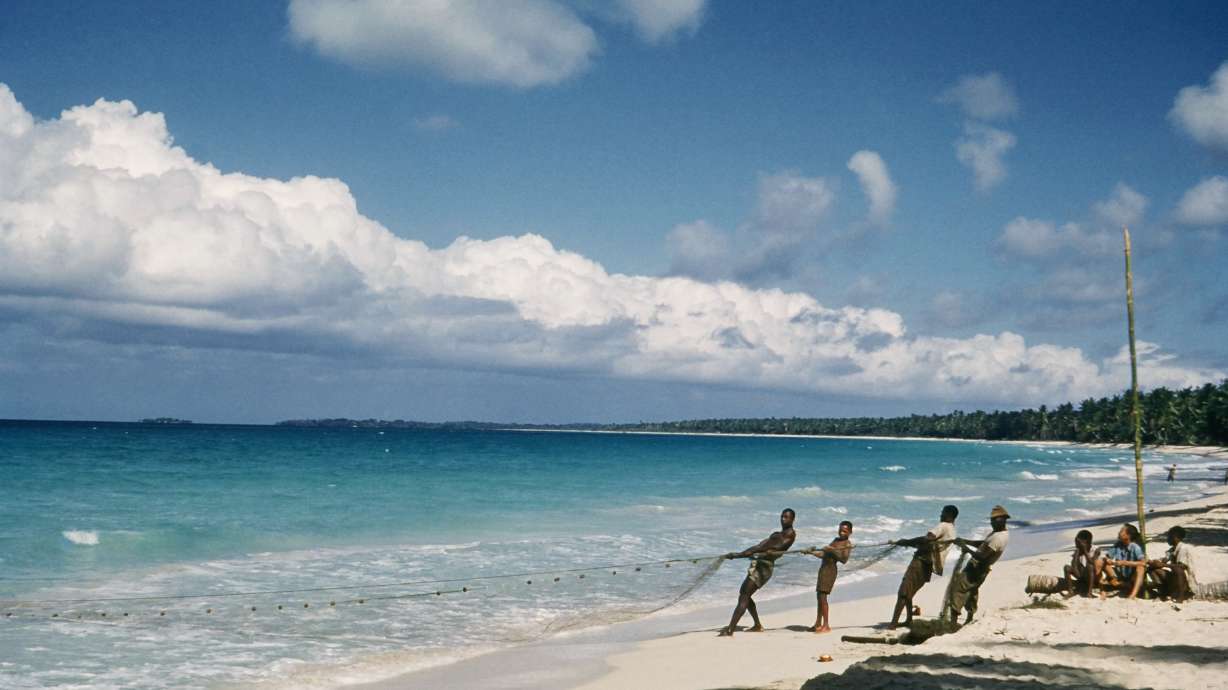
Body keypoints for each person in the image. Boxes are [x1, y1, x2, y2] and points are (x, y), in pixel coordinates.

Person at [718, 508, 796, 636]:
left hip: (764, 568)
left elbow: (778, 547)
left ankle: (730, 629)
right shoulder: (775, 534)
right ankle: (757, 625)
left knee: (744, 595)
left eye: (786, 517)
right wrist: (739, 554)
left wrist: (755, 551)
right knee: (745, 594)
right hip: (759, 564)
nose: (783, 519)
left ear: (792, 519)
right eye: (782, 516)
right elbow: (759, 545)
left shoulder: (790, 534)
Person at [889, 504, 958, 629]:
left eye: (943, 513)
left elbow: (927, 539)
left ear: (949, 515)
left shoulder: (943, 526)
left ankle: (893, 623)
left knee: (904, 591)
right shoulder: (952, 529)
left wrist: (906, 541)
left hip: (921, 562)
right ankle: (909, 619)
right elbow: (932, 543)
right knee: (909, 590)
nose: (940, 515)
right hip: (929, 565)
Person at [942, 505, 1010, 625]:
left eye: (995, 520)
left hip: (977, 568)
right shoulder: (998, 533)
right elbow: (983, 544)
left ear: (1003, 519)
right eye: (991, 520)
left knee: (957, 590)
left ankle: (953, 622)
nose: (992, 523)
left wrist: (965, 548)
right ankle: (969, 618)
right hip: (980, 569)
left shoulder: (999, 538)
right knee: (972, 591)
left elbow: (982, 557)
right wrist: (966, 541)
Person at [808, 520, 853, 633]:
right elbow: (824, 555)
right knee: (819, 596)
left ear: (850, 532)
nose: (842, 532)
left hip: (830, 570)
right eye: (840, 530)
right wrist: (810, 552)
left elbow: (844, 560)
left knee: (823, 597)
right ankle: (818, 623)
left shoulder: (847, 544)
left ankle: (826, 625)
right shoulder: (835, 540)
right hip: (823, 569)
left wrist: (832, 550)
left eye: (845, 531)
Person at [1094, 523, 1146, 599]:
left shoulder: (1135, 547)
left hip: (1132, 576)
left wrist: (1125, 563)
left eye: (1121, 531)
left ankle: (1132, 595)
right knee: (1098, 561)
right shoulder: (1118, 544)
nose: (1119, 533)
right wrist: (1108, 560)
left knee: (1140, 568)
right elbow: (1106, 556)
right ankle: (1102, 591)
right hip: (1119, 574)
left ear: (1128, 536)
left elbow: (1143, 562)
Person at [1148, 525, 1197, 601]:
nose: (1167, 539)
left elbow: (1182, 566)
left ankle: (1182, 595)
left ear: (1175, 537)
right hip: (1175, 579)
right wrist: (1153, 562)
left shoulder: (1183, 548)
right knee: (1153, 569)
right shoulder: (1171, 550)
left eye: (1169, 537)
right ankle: (1163, 593)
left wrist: (1163, 565)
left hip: (1185, 580)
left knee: (1178, 569)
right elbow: (1164, 560)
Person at [1062, 529, 1096, 597]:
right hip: (1081, 576)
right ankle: (1070, 591)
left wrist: (1085, 550)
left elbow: (1092, 562)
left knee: (1090, 566)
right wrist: (1077, 552)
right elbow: (1074, 567)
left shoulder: (1095, 549)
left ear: (1086, 542)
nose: (1076, 545)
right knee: (1067, 567)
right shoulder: (1078, 551)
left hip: (1093, 577)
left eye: (1078, 543)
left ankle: (1089, 592)